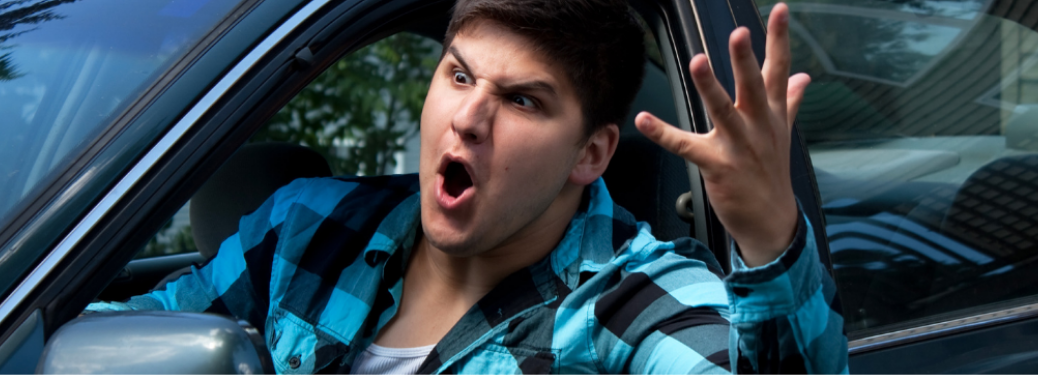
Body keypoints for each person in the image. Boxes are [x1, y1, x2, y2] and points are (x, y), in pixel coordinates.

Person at [88, 0, 848, 373]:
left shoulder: (631, 305)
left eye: (522, 100)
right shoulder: (304, 230)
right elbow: (108, 340)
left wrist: (769, 240)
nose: (468, 117)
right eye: (457, 75)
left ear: (591, 153)